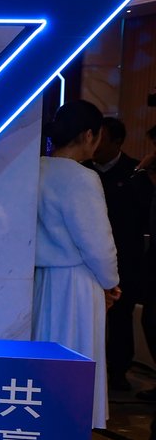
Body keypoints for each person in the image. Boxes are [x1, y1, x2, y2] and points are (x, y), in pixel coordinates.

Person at [33, 100, 119, 430]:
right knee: (74, 365)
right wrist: (111, 282)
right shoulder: (83, 178)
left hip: (40, 282)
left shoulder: (36, 169)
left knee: (42, 364)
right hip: (77, 285)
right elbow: (98, 244)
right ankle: (68, 431)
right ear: (88, 135)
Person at [86, 117, 149, 391]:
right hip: (88, 259)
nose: (95, 143)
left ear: (117, 141)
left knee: (121, 317)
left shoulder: (135, 172)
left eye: (101, 137)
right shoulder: (84, 170)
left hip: (125, 259)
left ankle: (119, 372)